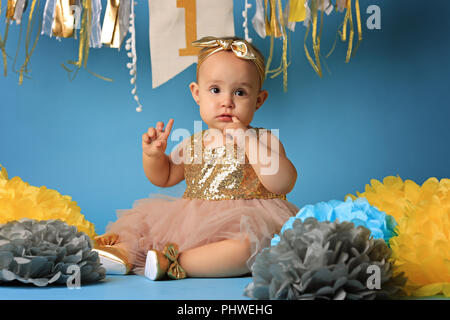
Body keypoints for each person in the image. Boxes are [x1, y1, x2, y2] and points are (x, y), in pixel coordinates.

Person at [93, 36, 300, 280]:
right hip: (193, 223)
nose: (227, 102)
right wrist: (153, 155)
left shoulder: (263, 139)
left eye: (240, 92)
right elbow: (166, 176)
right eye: (215, 90)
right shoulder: (194, 142)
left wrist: (246, 139)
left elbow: (283, 182)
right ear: (197, 93)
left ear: (258, 100)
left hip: (248, 221)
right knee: (147, 229)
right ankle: (124, 255)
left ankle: (175, 262)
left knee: (249, 247)